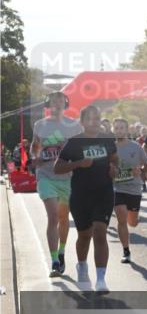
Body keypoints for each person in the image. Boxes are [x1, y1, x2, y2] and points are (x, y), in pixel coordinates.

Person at [53, 106, 118, 292]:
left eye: (97, 119)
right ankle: (82, 266)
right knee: (84, 236)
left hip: (103, 192)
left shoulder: (107, 139)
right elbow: (58, 168)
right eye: (89, 119)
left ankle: (100, 279)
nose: (94, 122)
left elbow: (115, 158)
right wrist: (79, 164)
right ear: (82, 122)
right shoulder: (74, 142)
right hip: (81, 195)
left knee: (99, 232)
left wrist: (114, 167)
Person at [31, 92, 83, 277]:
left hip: (68, 177)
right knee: (53, 216)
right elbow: (35, 147)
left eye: (61, 101)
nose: (58, 104)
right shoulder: (40, 125)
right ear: (49, 104)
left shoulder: (74, 125)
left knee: (63, 218)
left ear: (65, 104)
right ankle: (54, 261)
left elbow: (80, 149)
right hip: (45, 175)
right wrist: (35, 157)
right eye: (54, 101)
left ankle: (61, 252)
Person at [111, 118, 147, 264]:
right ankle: (126, 250)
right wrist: (111, 171)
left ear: (126, 130)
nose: (119, 130)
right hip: (118, 188)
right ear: (114, 130)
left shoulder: (135, 147)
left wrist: (142, 172)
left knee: (132, 223)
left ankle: (134, 218)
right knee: (121, 219)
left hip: (134, 188)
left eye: (122, 128)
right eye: (117, 128)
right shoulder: (110, 148)